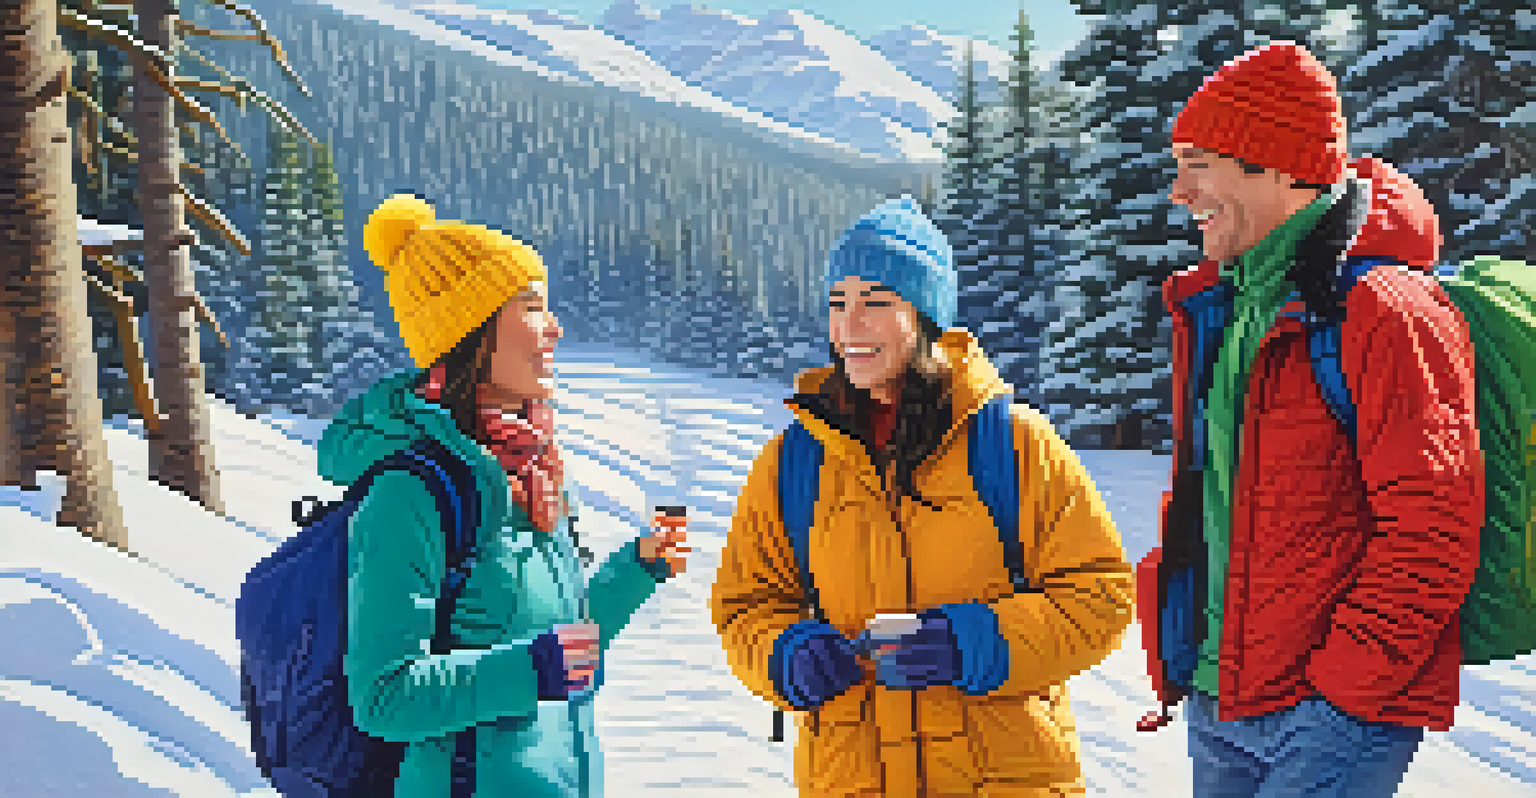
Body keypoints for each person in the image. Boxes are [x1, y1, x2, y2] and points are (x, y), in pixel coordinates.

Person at [1139, 41, 1485, 796]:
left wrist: (1344, 692)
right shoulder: (1223, 304)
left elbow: (1434, 526)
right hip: (1220, 696)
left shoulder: (1387, 312)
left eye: (1199, 163)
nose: (1179, 190)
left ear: (1272, 163)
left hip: (1328, 716)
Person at [711, 197, 1134, 796]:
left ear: (925, 316)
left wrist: (975, 641)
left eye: (875, 305)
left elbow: (1101, 595)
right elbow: (744, 606)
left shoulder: (1011, 443)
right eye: (838, 305)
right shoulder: (793, 462)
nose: (848, 327)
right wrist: (786, 655)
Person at [319, 194, 690, 797]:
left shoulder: (532, 472)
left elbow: (562, 638)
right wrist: (528, 670)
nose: (555, 328)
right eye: (533, 306)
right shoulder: (410, 492)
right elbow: (384, 697)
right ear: (473, 329)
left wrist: (639, 569)